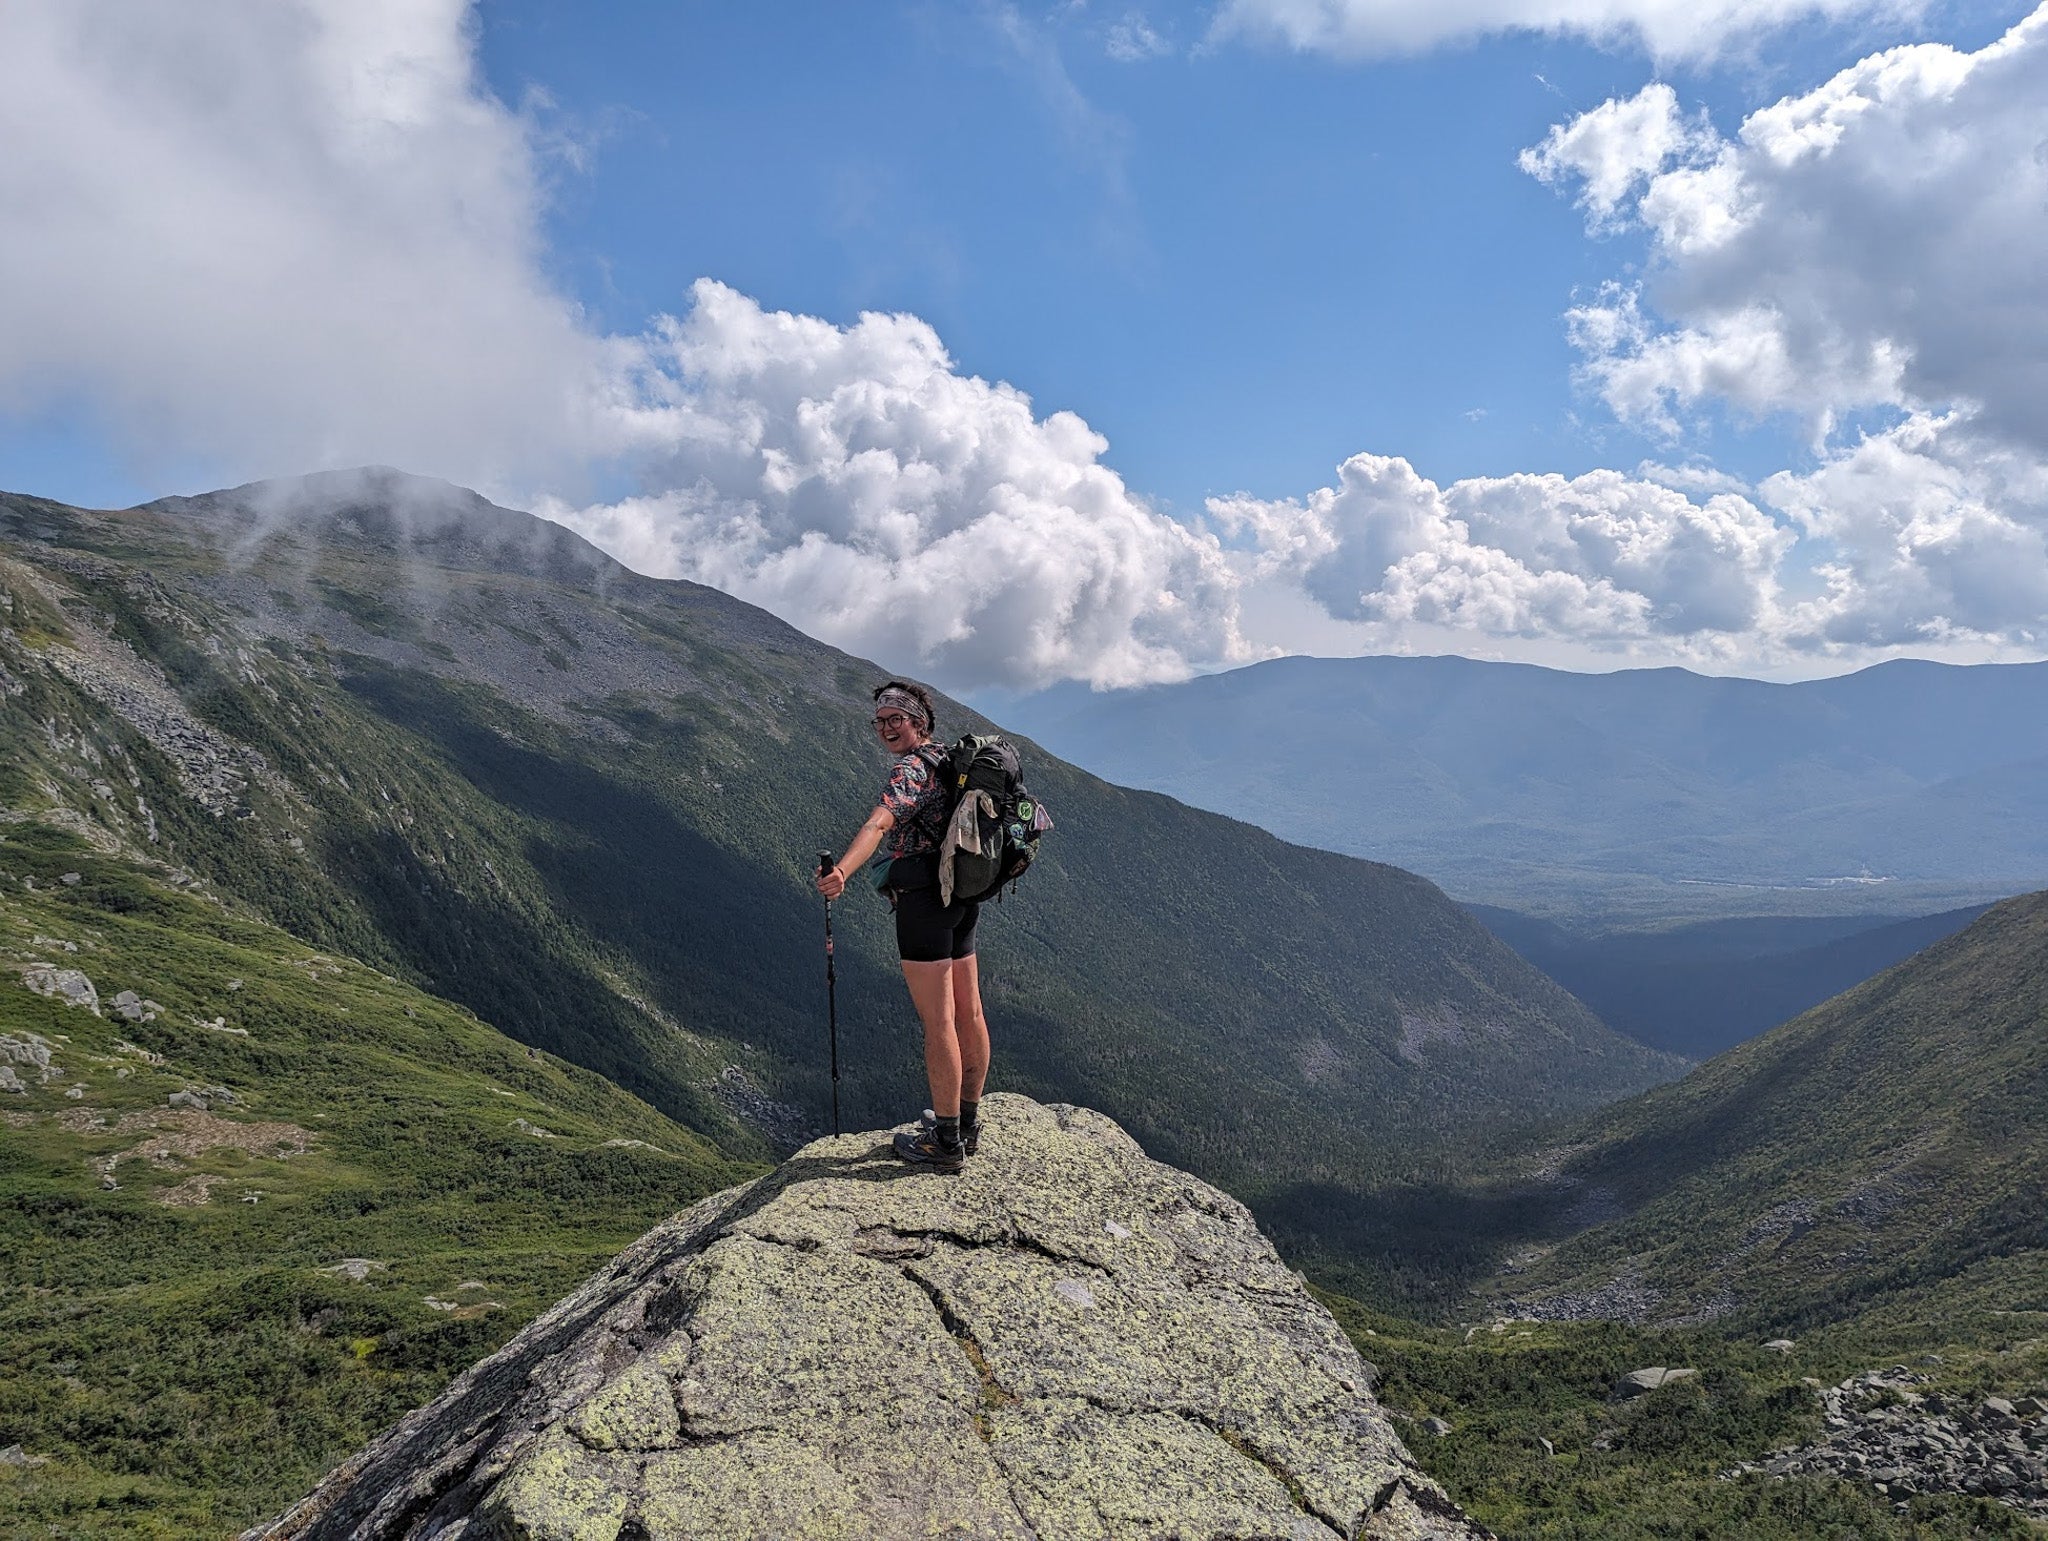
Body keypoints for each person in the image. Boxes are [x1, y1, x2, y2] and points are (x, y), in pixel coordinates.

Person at [814, 681, 986, 1173]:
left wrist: (842, 872)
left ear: (919, 723)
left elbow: (878, 825)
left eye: (897, 719)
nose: (887, 727)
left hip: (924, 904)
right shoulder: (951, 762)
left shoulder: (911, 771)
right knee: (969, 1011)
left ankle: (946, 1143)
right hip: (962, 892)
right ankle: (967, 1124)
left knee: (940, 1022)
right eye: (881, 720)